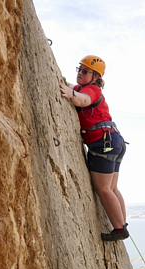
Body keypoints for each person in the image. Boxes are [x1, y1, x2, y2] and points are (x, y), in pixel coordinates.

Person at [59, 55, 129, 241]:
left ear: (96, 77)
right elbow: (77, 91)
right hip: (114, 141)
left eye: (85, 71)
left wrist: (71, 94)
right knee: (112, 187)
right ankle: (122, 224)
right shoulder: (85, 88)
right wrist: (69, 87)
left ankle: (120, 229)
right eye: (79, 69)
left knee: (104, 188)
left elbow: (83, 100)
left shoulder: (92, 90)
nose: (80, 73)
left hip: (102, 142)